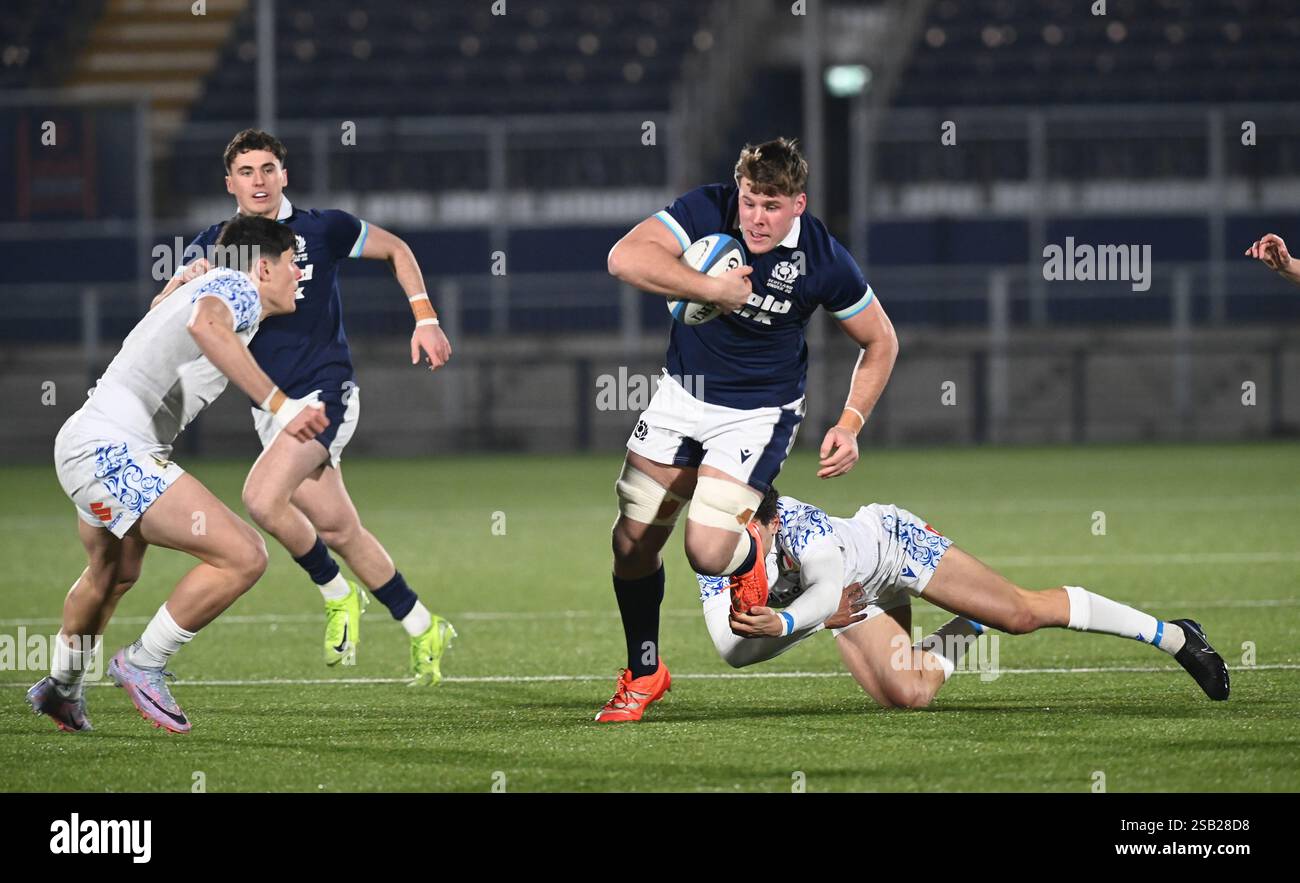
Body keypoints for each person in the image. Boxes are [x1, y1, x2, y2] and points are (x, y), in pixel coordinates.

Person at [596, 137, 899, 721]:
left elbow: (880, 341)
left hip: (759, 413)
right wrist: (713, 289)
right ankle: (644, 672)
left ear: (798, 204)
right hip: (681, 397)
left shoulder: (822, 258)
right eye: (751, 200)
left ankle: (754, 546)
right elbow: (624, 258)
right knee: (630, 544)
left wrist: (851, 422)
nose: (756, 218)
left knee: (707, 552)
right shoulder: (708, 210)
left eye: (772, 205)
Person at [153, 129, 456, 683]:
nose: (259, 180)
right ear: (230, 183)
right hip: (270, 409)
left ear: (284, 175)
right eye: (246, 172)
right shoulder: (217, 243)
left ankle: (335, 593)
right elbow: (162, 310)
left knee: (263, 500)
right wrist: (184, 281)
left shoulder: (323, 228)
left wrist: (426, 318)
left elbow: (397, 249)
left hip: (324, 392)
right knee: (340, 530)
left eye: (268, 168)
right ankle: (422, 625)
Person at [28, 215, 329, 733]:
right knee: (243, 555)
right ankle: (143, 662)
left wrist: (181, 284)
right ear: (263, 267)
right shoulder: (237, 287)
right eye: (293, 265)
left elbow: (169, 319)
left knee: (113, 575)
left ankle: (61, 686)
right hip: (111, 449)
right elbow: (203, 326)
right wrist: (282, 407)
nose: (300, 275)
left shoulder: (218, 285)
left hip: (88, 441)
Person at [698, 488, 1230, 708]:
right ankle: (971, 624)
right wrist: (811, 620)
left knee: (1021, 615)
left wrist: (799, 620)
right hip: (848, 598)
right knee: (908, 696)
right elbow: (731, 649)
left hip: (892, 548)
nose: (742, 541)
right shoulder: (711, 549)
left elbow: (826, 587)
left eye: (752, 529)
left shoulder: (797, 521)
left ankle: (1177, 636)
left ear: (770, 520)